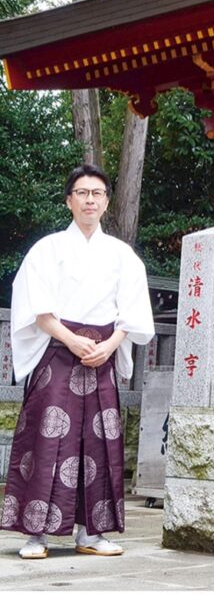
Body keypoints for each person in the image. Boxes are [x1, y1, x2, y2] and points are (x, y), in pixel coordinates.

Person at [1, 163, 154, 559]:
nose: (90, 200)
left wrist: (111, 344)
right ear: (69, 201)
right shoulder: (47, 250)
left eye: (97, 193)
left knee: (100, 444)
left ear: (106, 202)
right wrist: (71, 340)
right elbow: (37, 309)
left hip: (102, 356)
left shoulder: (122, 255)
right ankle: (36, 535)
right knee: (47, 440)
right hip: (57, 354)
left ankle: (92, 533)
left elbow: (133, 313)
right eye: (82, 193)